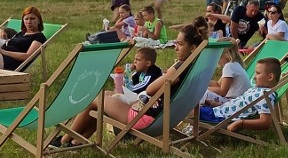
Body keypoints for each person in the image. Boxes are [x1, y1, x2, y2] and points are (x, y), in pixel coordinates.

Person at [57, 25, 204, 147]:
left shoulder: (179, 68)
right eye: (175, 43)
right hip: (166, 117)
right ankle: (76, 141)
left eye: (180, 44)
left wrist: (168, 74)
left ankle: (63, 140)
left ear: (192, 48)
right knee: (107, 94)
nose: (175, 47)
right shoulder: (196, 67)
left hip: (147, 119)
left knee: (97, 98)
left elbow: (151, 89)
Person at [198, 58, 282, 133]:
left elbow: (265, 122)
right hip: (218, 111)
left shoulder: (265, 95)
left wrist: (241, 123)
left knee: (187, 108)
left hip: (220, 118)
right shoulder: (256, 89)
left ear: (270, 77)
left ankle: (190, 132)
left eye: (258, 73)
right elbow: (239, 104)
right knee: (192, 105)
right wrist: (216, 104)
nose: (254, 77)